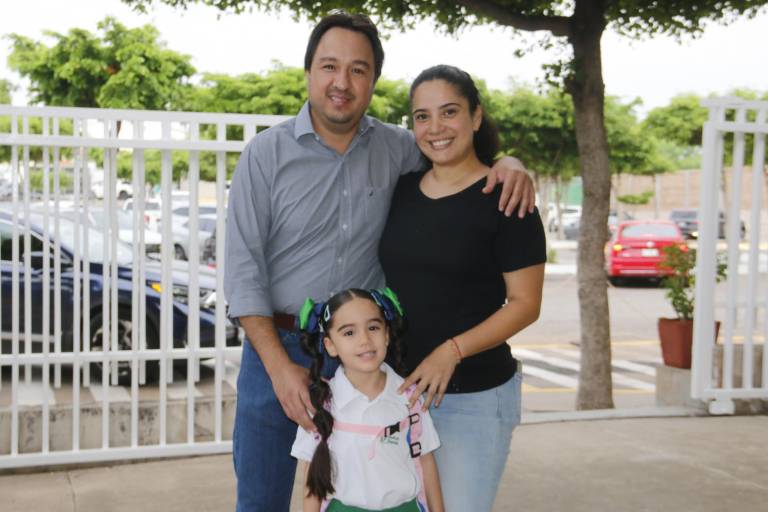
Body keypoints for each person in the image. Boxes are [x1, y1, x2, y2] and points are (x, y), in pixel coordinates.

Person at [224, 12, 536, 511]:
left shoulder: (398, 148)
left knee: (375, 497)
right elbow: (241, 273)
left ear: (373, 80)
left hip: (367, 356)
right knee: (260, 500)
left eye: (358, 69)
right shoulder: (265, 155)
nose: (341, 83)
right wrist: (280, 368)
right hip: (277, 354)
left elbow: (457, 159)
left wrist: (509, 164)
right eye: (329, 66)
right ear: (308, 72)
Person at [379, 64, 547, 511]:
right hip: (398, 396)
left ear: (476, 116)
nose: (435, 128)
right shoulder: (400, 191)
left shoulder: (508, 198)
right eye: (421, 116)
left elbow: (526, 304)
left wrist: (450, 351)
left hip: (474, 397)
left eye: (449, 112)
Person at [291, 288, 444, 512]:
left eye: (373, 327)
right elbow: (312, 483)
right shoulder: (320, 405)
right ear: (330, 346)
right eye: (349, 333)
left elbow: (427, 463)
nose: (364, 340)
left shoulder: (410, 398)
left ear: (387, 334)